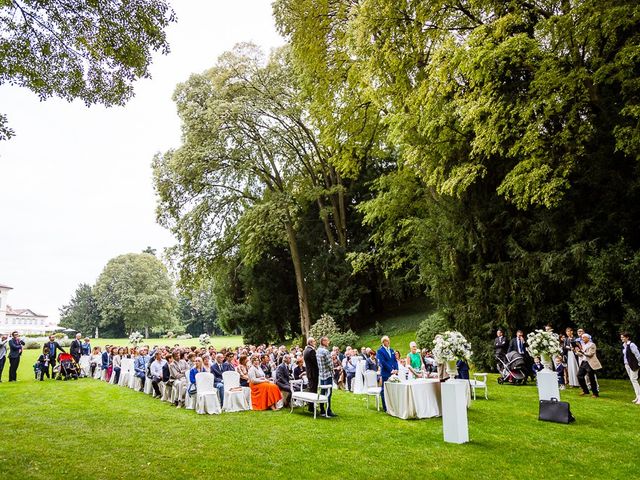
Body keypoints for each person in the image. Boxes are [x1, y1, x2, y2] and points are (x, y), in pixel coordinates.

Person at [575, 333, 602, 398]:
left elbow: (590, 354)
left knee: (591, 378)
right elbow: (582, 354)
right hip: (584, 362)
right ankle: (585, 390)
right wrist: (577, 352)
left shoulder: (592, 345)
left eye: (584, 337)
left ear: (588, 338)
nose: (582, 339)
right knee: (579, 375)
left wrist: (582, 352)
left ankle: (595, 393)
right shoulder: (583, 345)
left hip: (590, 363)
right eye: (582, 337)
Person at [376, 335, 398, 412]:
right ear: (383, 342)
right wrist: (390, 370)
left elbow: (395, 360)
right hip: (385, 373)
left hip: (393, 373)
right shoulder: (380, 351)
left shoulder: (391, 350)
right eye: (387, 341)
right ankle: (385, 407)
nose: (388, 342)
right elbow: (382, 362)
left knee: (393, 389)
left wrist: (396, 369)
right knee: (384, 389)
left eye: (389, 341)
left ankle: (393, 405)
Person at [317, 336, 336, 417]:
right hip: (327, 375)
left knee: (322, 392)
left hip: (321, 374)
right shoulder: (326, 351)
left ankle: (322, 410)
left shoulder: (317, 350)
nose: (329, 342)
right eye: (327, 341)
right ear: (324, 341)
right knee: (328, 393)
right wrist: (333, 370)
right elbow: (330, 364)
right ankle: (328, 411)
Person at [620, 332, 640, 404]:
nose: (621, 338)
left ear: (627, 337)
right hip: (627, 364)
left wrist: (639, 364)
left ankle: (639, 397)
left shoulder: (632, 345)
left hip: (633, 365)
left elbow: (638, 355)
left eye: (623, 337)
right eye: (621, 337)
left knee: (634, 380)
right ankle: (637, 397)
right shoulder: (624, 345)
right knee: (632, 380)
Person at [303, 337, 319, 414]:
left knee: (311, 389)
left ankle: (311, 406)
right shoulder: (311, 351)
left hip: (309, 373)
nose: (315, 342)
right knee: (313, 390)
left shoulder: (306, 350)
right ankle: (311, 407)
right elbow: (316, 363)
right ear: (310, 342)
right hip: (313, 373)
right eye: (314, 341)